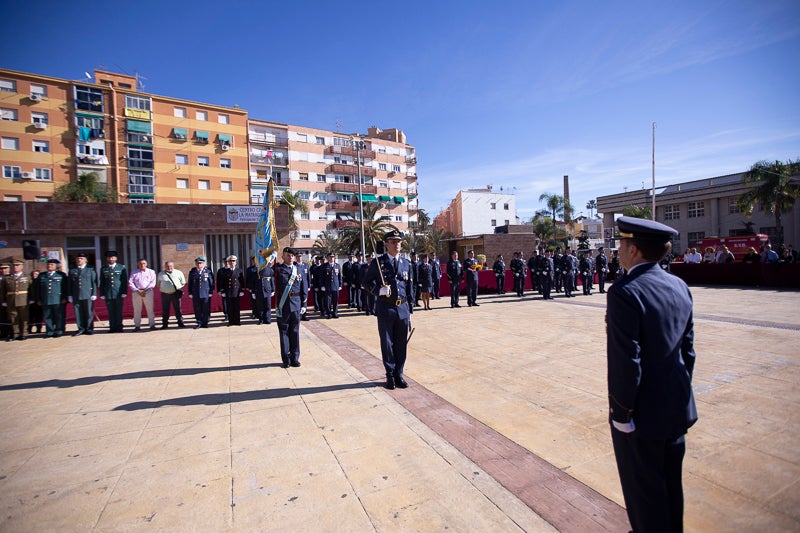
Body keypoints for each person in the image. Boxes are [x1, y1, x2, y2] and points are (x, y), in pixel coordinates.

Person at [606, 216, 697, 533]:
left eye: (621, 244)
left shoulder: (626, 291)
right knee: (672, 489)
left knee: (645, 498)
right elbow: (688, 353)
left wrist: (621, 412)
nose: (619, 250)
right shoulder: (679, 286)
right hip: (677, 408)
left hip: (641, 417)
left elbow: (626, 361)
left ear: (633, 250)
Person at [362, 230, 414, 390]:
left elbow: (410, 288)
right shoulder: (379, 263)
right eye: (393, 241)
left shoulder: (406, 263)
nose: (397, 244)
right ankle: (390, 375)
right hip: (386, 308)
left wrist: (410, 311)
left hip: (403, 308)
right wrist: (378, 290)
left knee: (401, 344)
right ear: (386, 244)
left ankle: (399, 374)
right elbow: (365, 282)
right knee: (387, 344)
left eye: (398, 241)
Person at [274, 247, 308, 368]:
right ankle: (286, 358)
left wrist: (304, 304)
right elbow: (265, 272)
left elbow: (304, 287)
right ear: (282, 256)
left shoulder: (298, 269)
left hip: (296, 304)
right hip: (283, 306)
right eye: (288, 255)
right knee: (284, 332)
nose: (290, 257)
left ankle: (295, 357)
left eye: (292, 255)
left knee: (295, 332)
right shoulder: (278, 270)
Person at [0, 259, 32, 341]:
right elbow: (3, 290)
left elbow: (31, 289)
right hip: (11, 300)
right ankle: (16, 333)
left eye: (17, 265)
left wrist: (32, 299)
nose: (15, 267)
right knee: (13, 318)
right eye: (14, 266)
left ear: (22, 267)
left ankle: (24, 333)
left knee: (24, 317)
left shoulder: (27, 277)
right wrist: (3, 301)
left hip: (23, 300)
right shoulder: (7, 278)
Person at [68, 253, 98, 335]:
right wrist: (70, 295)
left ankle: (89, 328)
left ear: (85, 260)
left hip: (87, 294)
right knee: (78, 312)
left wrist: (94, 293)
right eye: (78, 258)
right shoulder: (72, 270)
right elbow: (70, 283)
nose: (79, 260)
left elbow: (94, 282)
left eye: (81, 258)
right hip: (76, 294)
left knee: (89, 312)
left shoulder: (90, 269)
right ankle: (81, 328)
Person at [37, 258, 68, 338]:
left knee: (59, 316)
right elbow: (37, 289)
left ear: (56, 266)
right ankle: (49, 331)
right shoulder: (42, 275)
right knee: (47, 316)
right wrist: (39, 299)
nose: (49, 266)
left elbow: (65, 287)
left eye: (52, 264)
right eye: (48, 264)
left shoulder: (61, 275)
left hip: (58, 299)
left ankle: (59, 330)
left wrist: (65, 298)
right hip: (46, 299)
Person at [99, 250, 128, 333]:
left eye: (112, 257)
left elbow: (124, 281)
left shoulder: (121, 268)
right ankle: (112, 327)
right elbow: (102, 282)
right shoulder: (104, 268)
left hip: (118, 293)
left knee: (119, 311)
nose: (111, 259)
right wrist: (102, 293)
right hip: (108, 293)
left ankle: (119, 327)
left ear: (116, 258)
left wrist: (124, 292)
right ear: (107, 259)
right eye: (109, 257)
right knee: (110, 311)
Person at [128, 258, 156, 331]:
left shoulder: (151, 272)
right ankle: (137, 326)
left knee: (150, 309)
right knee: (137, 310)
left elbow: (152, 282)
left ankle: (152, 325)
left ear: (146, 264)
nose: (142, 265)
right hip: (136, 293)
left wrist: (145, 291)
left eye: (143, 263)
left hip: (148, 292)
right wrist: (138, 290)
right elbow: (130, 282)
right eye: (140, 263)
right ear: (138, 264)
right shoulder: (134, 272)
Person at [217, 255, 245, 326]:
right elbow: (222, 282)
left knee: (236, 307)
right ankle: (231, 322)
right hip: (228, 291)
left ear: (236, 262)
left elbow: (242, 281)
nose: (232, 263)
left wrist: (242, 290)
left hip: (236, 291)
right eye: (230, 261)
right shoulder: (225, 272)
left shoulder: (239, 271)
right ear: (228, 263)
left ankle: (237, 321)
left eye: (233, 261)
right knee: (229, 307)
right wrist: (222, 291)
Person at [158, 261, 186, 328]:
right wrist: (166, 288)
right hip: (165, 294)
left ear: (173, 266)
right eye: (167, 266)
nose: (169, 267)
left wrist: (177, 289)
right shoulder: (161, 274)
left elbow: (183, 282)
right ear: (164, 267)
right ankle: (165, 324)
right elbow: (158, 284)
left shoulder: (178, 273)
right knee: (165, 309)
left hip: (175, 294)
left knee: (178, 309)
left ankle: (180, 322)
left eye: (170, 266)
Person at [188, 256, 214, 328]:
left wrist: (211, 292)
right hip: (196, 293)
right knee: (197, 308)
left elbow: (211, 282)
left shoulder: (208, 271)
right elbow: (190, 282)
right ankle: (199, 322)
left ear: (204, 263)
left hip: (205, 293)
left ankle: (205, 323)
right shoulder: (192, 271)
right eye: (197, 263)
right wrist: (190, 292)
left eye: (200, 263)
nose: (199, 265)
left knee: (206, 308)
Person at [320, 252, 342, 318]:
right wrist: (322, 285)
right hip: (327, 286)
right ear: (328, 258)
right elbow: (321, 277)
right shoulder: (324, 266)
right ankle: (328, 313)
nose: (332, 258)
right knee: (328, 301)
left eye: (333, 257)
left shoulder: (337, 265)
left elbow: (339, 276)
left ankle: (335, 313)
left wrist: (340, 285)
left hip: (335, 286)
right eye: (330, 257)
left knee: (335, 301)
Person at [294, 252, 312, 321]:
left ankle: (304, 315)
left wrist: (309, 285)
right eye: (298, 256)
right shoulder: (294, 265)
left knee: (304, 300)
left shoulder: (306, 266)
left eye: (300, 256)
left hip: (304, 285)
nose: (299, 258)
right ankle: (298, 315)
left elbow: (308, 276)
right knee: (298, 300)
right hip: (297, 286)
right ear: (296, 257)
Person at [27, 270, 43, 334]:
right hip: (31, 302)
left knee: (38, 316)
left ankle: (38, 328)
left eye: (36, 274)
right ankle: (29, 329)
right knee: (30, 316)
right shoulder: (30, 281)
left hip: (38, 302)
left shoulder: (40, 281)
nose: (35, 275)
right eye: (33, 274)